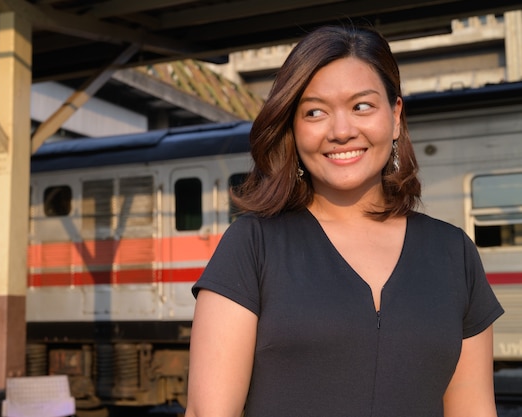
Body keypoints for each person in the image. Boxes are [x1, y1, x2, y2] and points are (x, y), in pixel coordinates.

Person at [184, 25, 504, 417]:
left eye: (362, 106)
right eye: (315, 112)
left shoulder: (455, 254)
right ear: (293, 127)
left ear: (395, 115)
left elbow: (474, 410)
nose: (341, 131)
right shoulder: (252, 246)